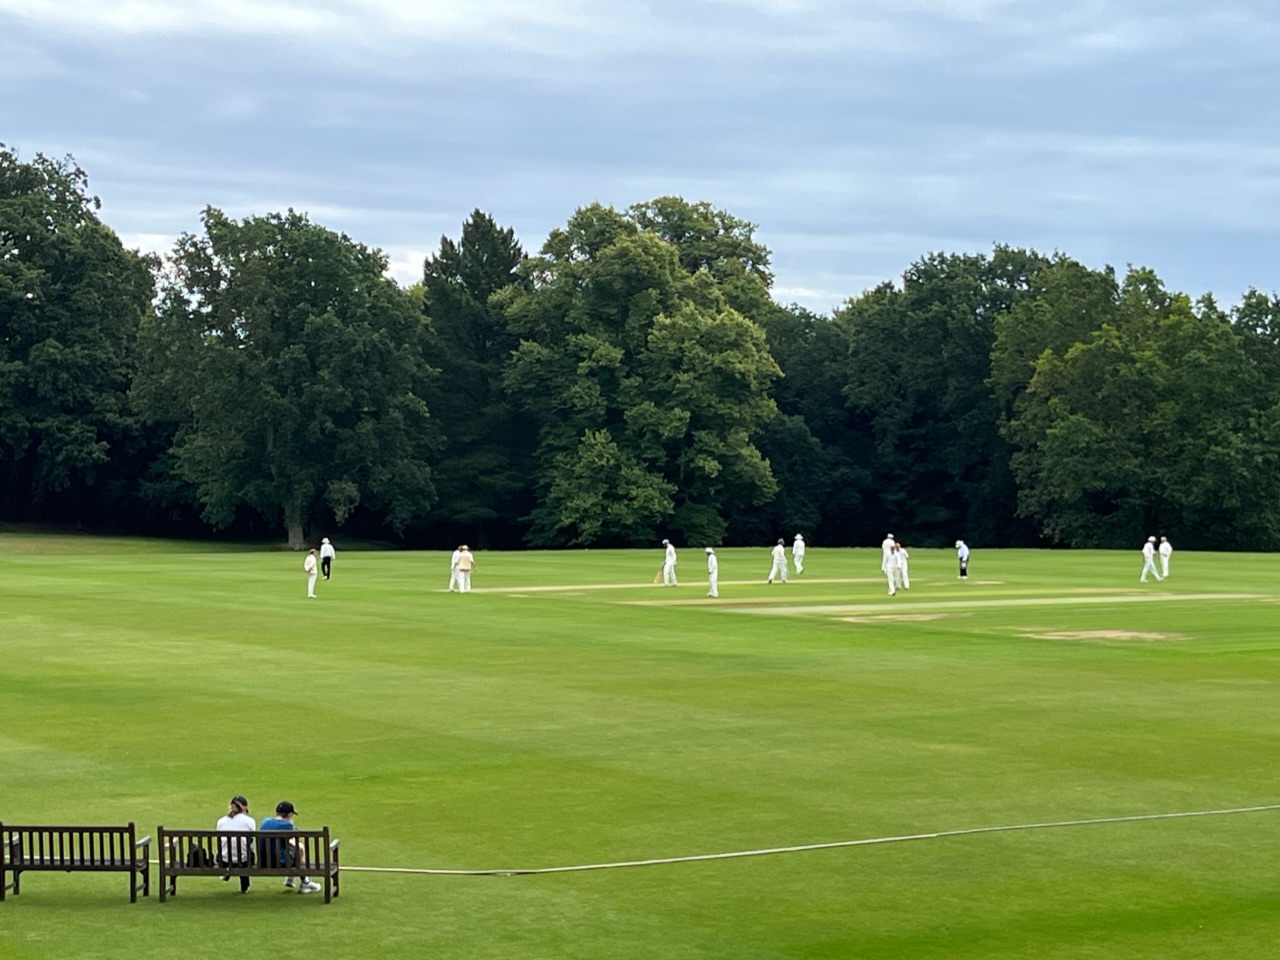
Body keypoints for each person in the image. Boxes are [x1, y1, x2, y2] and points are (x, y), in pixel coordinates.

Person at [258, 801, 321, 894]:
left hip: (263, 861)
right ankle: (305, 883)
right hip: (280, 862)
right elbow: (295, 836)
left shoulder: (265, 821)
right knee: (300, 847)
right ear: (290, 814)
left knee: (292, 847)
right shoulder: (288, 825)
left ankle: (290, 879)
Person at [216, 794, 256, 893]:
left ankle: (227, 871)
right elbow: (251, 839)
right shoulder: (249, 821)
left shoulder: (221, 821)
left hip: (224, 859)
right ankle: (245, 886)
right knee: (247, 851)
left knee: (226, 848)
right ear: (245, 807)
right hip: (243, 860)